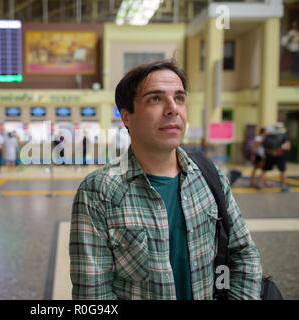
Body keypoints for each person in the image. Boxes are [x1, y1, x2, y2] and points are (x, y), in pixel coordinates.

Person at [69, 60, 262, 300]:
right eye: (155, 99)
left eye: (179, 98)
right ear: (127, 117)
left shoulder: (210, 176)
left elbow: (243, 254)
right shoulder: (98, 192)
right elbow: (93, 294)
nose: (173, 109)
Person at [255, 123, 291, 193]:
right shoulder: (283, 136)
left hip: (269, 154)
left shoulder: (269, 134)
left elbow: (262, 143)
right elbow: (288, 146)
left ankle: (259, 184)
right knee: (283, 171)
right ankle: (283, 187)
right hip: (279, 155)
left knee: (264, 170)